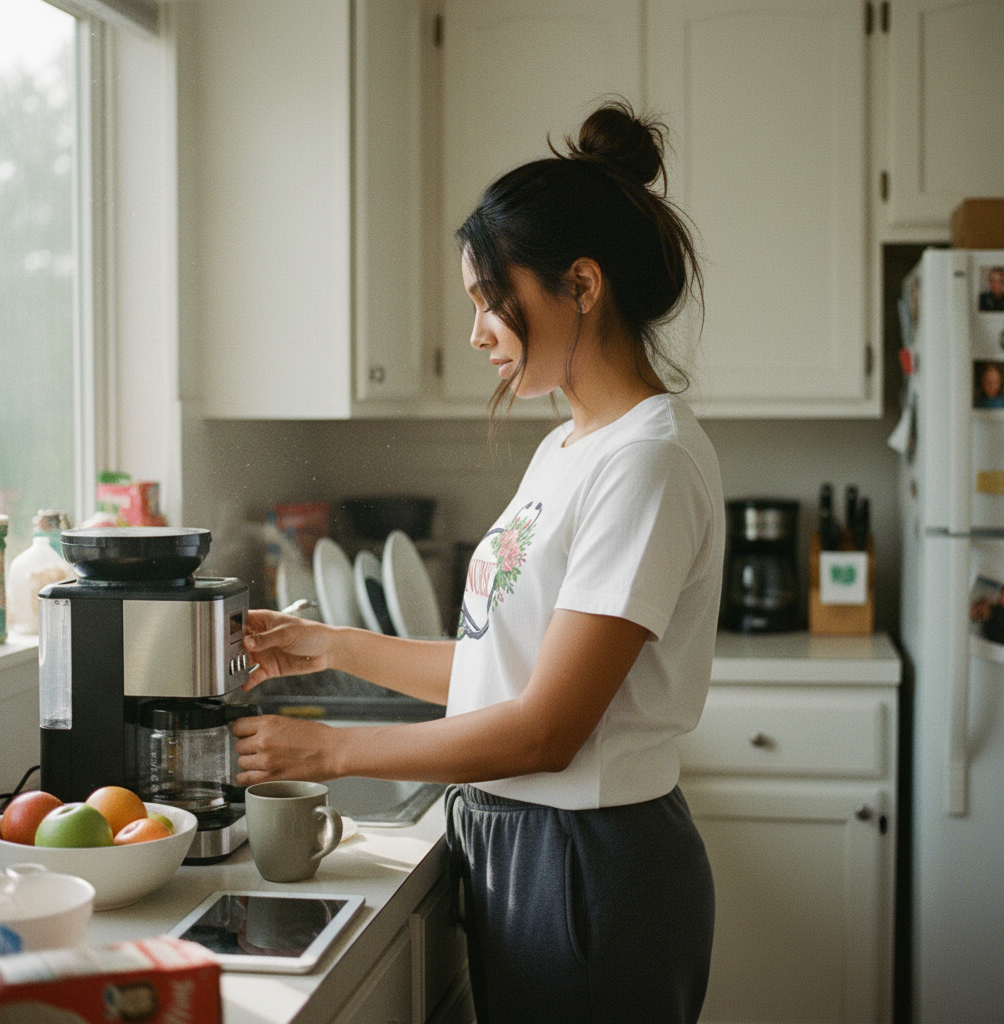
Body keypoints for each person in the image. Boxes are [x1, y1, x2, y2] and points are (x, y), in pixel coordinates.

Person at [232, 100, 724, 1024]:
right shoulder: (573, 445)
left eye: (489, 299)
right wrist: (332, 644)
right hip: (527, 849)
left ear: (580, 285)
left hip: (589, 867)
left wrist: (332, 749)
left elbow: (546, 729)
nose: (477, 333)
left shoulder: (646, 460)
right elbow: (509, 669)